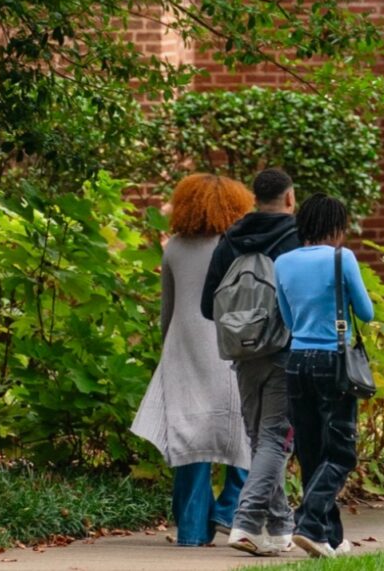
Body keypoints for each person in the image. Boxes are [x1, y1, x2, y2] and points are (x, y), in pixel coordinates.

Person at [131, 174, 256, 547]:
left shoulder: (175, 249)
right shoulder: (237, 247)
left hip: (184, 348)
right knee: (246, 434)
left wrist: (167, 348)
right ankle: (228, 508)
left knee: (189, 442)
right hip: (231, 348)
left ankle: (192, 532)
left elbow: (166, 311)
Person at [200, 167, 301, 556]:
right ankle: (245, 521)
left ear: (253, 198)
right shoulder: (295, 240)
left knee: (262, 439)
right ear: (290, 198)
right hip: (282, 350)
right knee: (276, 437)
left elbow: (209, 305)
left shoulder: (230, 240)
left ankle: (279, 528)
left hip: (242, 354)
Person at [273, 194, 373, 559]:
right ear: (336, 227)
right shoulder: (341, 258)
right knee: (342, 452)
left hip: (297, 361)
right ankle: (309, 523)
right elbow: (365, 310)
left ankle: (330, 538)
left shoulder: (282, 262)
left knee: (312, 452)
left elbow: (286, 317)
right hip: (333, 361)